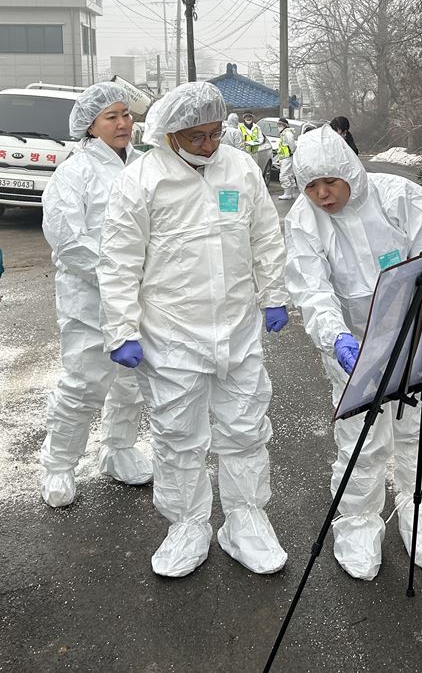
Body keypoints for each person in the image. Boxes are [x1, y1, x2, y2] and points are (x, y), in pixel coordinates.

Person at [97, 82, 290, 578]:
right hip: (171, 332)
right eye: (198, 136)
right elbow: (118, 261)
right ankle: (187, 525)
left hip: (237, 326)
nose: (210, 145)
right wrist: (122, 329)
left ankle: (245, 519)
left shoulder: (240, 168)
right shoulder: (142, 180)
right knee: (179, 435)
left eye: (216, 133)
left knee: (245, 429)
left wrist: (273, 295)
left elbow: (265, 234)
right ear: (170, 133)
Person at [284, 124, 422, 581]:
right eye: (311, 186)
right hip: (353, 348)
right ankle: (357, 522)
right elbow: (312, 288)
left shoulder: (397, 197)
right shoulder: (304, 219)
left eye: (329, 182)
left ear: (350, 174)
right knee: (362, 439)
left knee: (418, 430)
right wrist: (335, 336)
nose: (322, 194)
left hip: (414, 335)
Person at [40, 82, 152, 508]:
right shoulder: (75, 173)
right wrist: (120, 273)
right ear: (90, 127)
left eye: (126, 114)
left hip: (138, 298)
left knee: (131, 381)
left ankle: (118, 449)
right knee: (84, 383)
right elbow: (68, 241)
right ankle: (59, 464)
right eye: (112, 117)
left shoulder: (143, 166)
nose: (124, 123)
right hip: (89, 300)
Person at [276, 117, 299, 201]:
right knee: (289, 175)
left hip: (287, 157)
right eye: (278, 124)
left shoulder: (287, 133)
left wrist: (292, 151)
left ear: (285, 125)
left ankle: (287, 193)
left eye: (280, 124)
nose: (279, 126)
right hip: (285, 157)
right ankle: (291, 193)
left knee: (284, 175)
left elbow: (291, 144)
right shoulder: (284, 133)